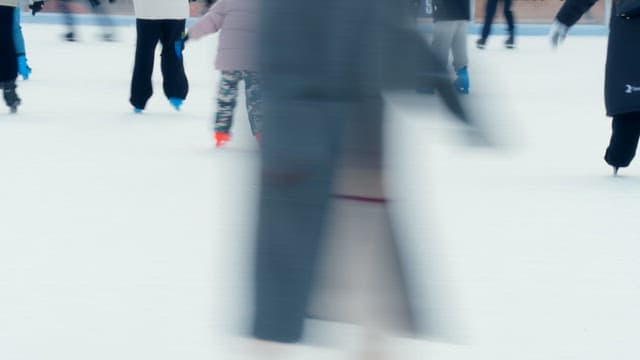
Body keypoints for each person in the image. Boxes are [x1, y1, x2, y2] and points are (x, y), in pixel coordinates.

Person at [249, 0, 488, 357]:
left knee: (366, 295)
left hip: (340, 150)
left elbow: (393, 38)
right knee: (307, 294)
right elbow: (389, 38)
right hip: (323, 152)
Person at [550, 0, 640, 174]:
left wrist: (564, 18)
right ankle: (619, 154)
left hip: (626, 32)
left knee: (629, 109)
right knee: (630, 108)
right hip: (627, 32)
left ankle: (619, 156)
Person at [180, 0, 262, 147]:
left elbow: (209, 21)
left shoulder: (227, 2)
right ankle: (261, 132)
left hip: (230, 61)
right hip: (254, 61)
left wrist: (188, 36)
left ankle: (221, 132)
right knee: (256, 99)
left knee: (226, 98)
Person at [130, 0, 189, 113]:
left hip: (147, 11)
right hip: (177, 11)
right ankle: (176, 93)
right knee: (174, 51)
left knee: (144, 54)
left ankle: (139, 99)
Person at [432, 0, 471, 94]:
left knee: (439, 50)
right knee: (460, 49)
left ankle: (434, 82)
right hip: (463, 14)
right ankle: (463, 80)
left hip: (446, 13)